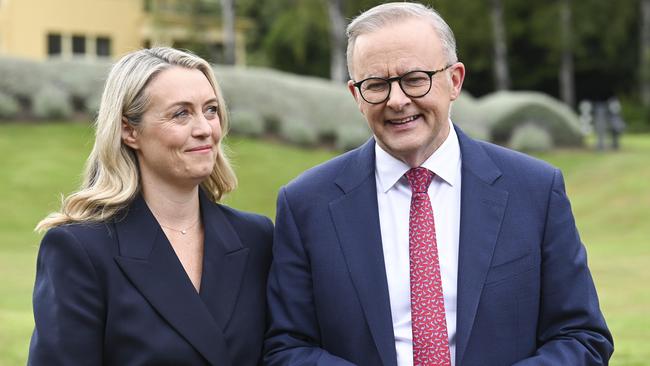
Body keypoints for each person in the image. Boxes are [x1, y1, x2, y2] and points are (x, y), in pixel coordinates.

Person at [264, 2, 613, 366]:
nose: (397, 100)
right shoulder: (306, 204)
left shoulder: (536, 191)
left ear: (455, 81)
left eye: (415, 79)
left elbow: (581, 337)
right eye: (377, 85)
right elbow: (287, 347)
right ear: (356, 96)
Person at [28, 47, 273, 365]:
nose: (204, 128)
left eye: (210, 110)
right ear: (130, 131)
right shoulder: (80, 250)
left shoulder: (256, 238)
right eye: (181, 114)